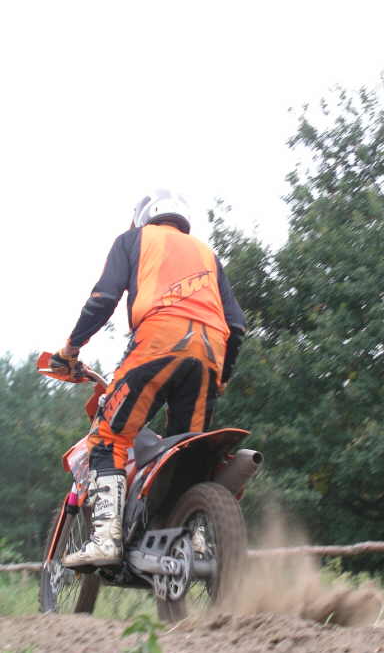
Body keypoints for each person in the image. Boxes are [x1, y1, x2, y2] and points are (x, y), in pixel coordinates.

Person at [52, 189, 246, 568]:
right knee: (187, 449)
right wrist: (221, 377)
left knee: (108, 437)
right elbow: (236, 326)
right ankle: (193, 538)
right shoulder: (208, 255)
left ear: (144, 216)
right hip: (210, 352)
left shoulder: (133, 239)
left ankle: (105, 538)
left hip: (158, 342)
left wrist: (71, 349)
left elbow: (103, 298)